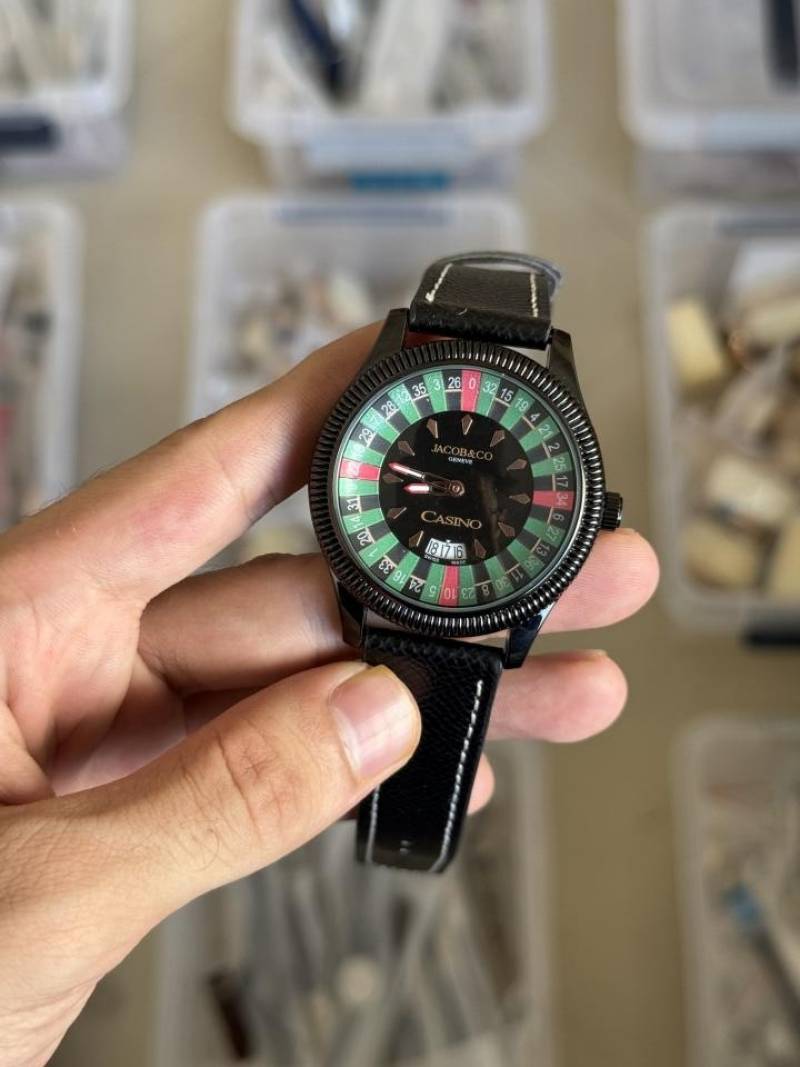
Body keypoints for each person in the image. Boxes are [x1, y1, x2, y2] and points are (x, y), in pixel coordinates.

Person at [0, 326, 658, 1066]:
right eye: (439, 483)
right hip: (396, 598)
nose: (454, 490)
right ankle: (403, 839)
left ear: (583, 513)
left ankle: (404, 839)